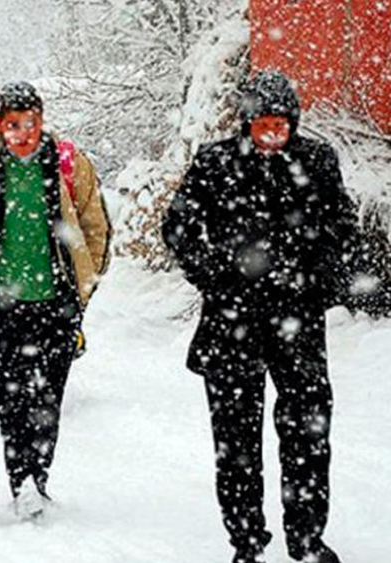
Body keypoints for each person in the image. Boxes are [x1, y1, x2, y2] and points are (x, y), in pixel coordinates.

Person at [161, 70, 362, 563]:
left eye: (281, 124)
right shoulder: (215, 164)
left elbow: (343, 225)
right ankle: (247, 542)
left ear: (293, 122)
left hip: (299, 324)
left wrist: (321, 277)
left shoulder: (317, 161)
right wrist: (216, 276)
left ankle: (308, 540)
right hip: (232, 325)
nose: (272, 134)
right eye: (262, 125)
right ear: (246, 122)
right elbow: (179, 226)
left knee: (308, 434)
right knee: (236, 442)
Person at [0, 81, 110, 519]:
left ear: (42, 121)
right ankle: (22, 481)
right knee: (13, 395)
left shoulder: (69, 165)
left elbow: (96, 224)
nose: (22, 133)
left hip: (56, 302)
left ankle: (40, 475)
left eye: (30, 123)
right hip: (2, 304)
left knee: (49, 396)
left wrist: (82, 286)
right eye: (13, 124)